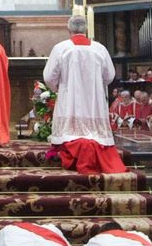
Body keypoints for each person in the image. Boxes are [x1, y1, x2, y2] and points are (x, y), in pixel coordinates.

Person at [42, 15, 125, 174]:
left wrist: (57, 88)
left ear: (69, 29)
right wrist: (97, 86)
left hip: (69, 97)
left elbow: (49, 77)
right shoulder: (99, 49)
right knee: (94, 134)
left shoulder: (61, 48)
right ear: (86, 29)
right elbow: (109, 75)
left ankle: (69, 149)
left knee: (69, 131)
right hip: (94, 99)